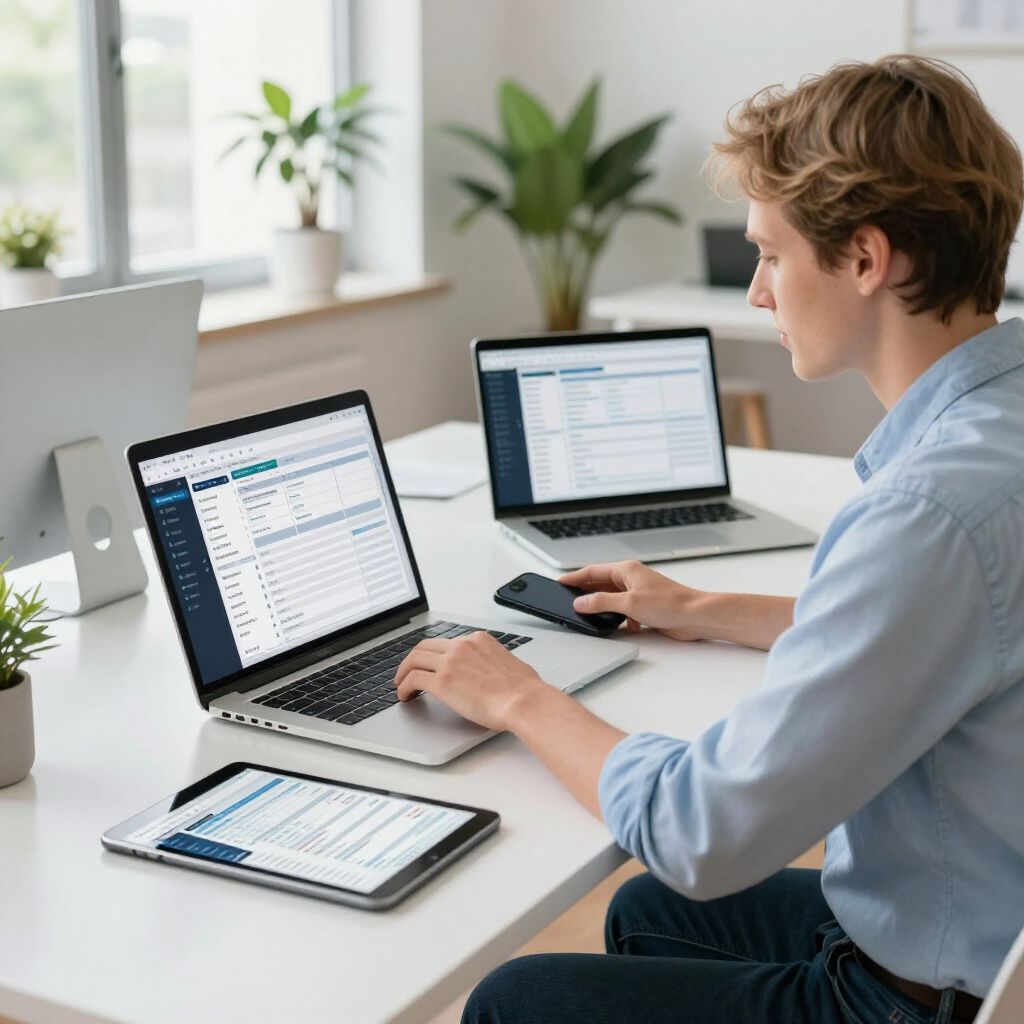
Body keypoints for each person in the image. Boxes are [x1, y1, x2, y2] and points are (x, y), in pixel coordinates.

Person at [395, 54, 1024, 1024]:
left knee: (519, 997)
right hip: (982, 911)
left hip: (935, 996)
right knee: (651, 909)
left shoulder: (927, 512)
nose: (757, 294)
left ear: (864, 258)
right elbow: (956, 626)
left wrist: (518, 695)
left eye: (770, 255)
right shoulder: (996, 428)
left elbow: (702, 829)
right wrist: (698, 607)